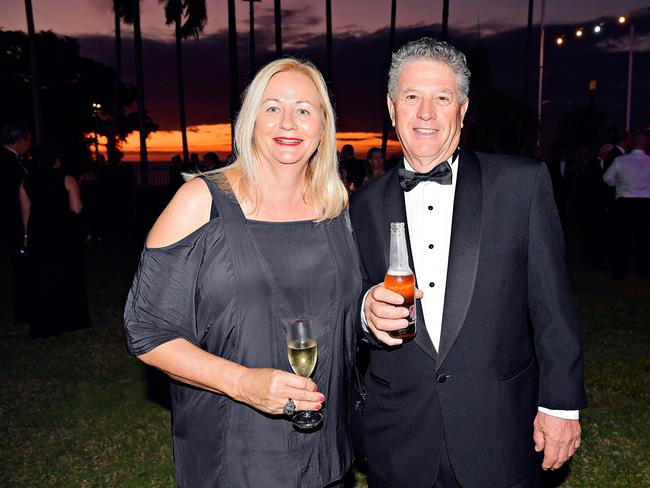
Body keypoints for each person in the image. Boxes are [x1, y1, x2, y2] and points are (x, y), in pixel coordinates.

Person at [349, 38, 587, 488]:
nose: (425, 113)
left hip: (498, 430)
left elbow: (553, 308)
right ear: (391, 106)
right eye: (411, 97)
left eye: (442, 98)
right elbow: (346, 302)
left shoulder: (521, 185)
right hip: (399, 434)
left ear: (462, 109)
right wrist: (365, 313)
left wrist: (560, 406)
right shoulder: (360, 205)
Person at [123, 58, 361, 487]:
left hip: (327, 452)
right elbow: (146, 331)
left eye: (304, 110)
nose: (288, 122)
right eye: (272, 108)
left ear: (323, 128)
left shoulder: (336, 208)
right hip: (232, 454)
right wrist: (242, 382)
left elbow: (344, 315)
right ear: (250, 120)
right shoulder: (201, 202)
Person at [19, 147, 91, 337]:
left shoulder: (26, 180)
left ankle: (44, 321)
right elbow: (76, 208)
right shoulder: (67, 179)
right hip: (62, 232)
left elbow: (25, 211)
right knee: (66, 274)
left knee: (41, 276)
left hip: (39, 233)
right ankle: (69, 319)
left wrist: (26, 236)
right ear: (57, 161)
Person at [603, 133, 650, 279]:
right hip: (645, 205)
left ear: (632, 144)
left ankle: (619, 271)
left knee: (621, 239)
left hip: (624, 204)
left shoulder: (620, 160)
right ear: (645, 145)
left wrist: (619, 184)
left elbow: (606, 178)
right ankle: (643, 271)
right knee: (644, 240)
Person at [1, 124, 32, 324]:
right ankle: (23, 309)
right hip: (11, 220)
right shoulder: (8, 163)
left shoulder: (13, 160)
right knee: (20, 263)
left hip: (11, 218)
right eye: (28, 140)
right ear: (20, 141)